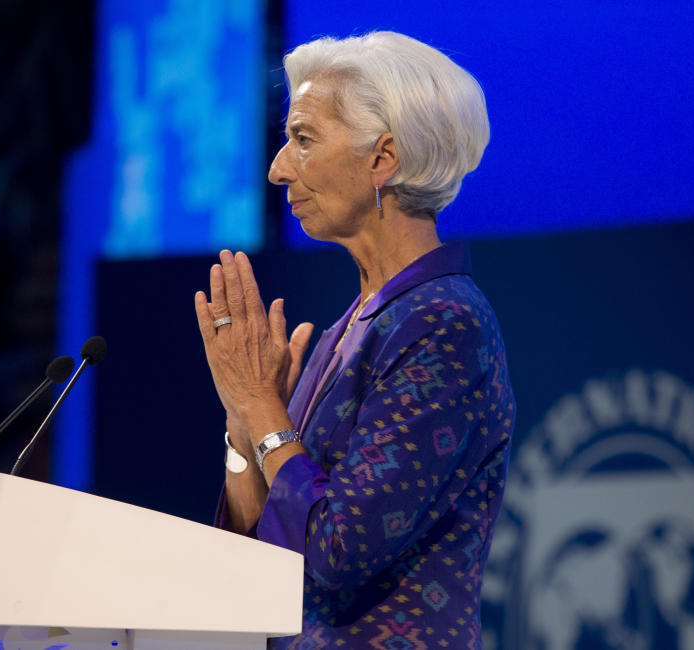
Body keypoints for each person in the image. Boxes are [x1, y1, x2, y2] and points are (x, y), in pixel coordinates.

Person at [194, 31, 514, 650]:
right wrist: (244, 430)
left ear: (383, 159)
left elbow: (340, 547)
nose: (278, 167)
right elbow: (263, 546)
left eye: (303, 139)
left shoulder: (445, 323)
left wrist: (264, 409)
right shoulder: (356, 324)